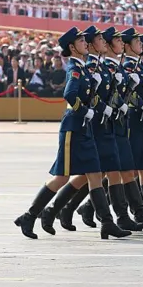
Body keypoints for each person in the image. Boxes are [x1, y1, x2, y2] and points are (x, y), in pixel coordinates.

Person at [14, 27, 130, 240]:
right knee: (62, 176)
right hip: (73, 127)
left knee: (95, 175)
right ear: (71, 46)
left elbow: (91, 95)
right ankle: (30, 215)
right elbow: (70, 94)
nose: (85, 43)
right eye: (80, 41)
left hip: (85, 128)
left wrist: (99, 106)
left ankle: (107, 223)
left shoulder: (85, 68)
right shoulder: (74, 68)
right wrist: (86, 111)